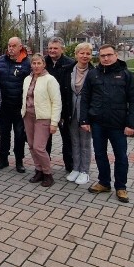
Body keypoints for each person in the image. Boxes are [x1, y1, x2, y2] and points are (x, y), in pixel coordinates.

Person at [80, 44, 134, 204]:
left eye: (109, 55)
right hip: (98, 123)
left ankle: (121, 187)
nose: (106, 59)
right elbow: (85, 98)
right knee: (100, 154)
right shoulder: (93, 75)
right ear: (99, 57)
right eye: (102, 56)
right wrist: (84, 119)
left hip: (118, 124)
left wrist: (131, 124)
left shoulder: (126, 75)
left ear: (116, 55)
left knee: (121, 156)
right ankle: (104, 182)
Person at [20, 54, 61, 187]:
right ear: (31, 65)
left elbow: (56, 102)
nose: (36, 66)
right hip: (28, 116)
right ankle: (38, 170)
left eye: (39, 63)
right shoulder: (27, 79)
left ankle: (48, 174)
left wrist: (54, 122)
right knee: (31, 146)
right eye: (34, 63)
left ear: (44, 64)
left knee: (39, 147)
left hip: (43, 117)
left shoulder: (50, 79)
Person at [0, 37, 30, 172]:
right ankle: (3, 159)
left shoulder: (27, 63)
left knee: (19, 134)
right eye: (9, 45)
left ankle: (19, 161)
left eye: (14, 46)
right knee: (4, 133)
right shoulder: (0, 61)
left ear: (20, 47)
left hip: (20, 107)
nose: (11, 48)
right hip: (4, 106)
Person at [45, 37, 76, 173]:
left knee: (67, 139)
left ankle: (70, 166)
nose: (52, 50)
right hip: (47, 107)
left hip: (64, 107)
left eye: (55, 48)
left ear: (62, 49)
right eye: (50, 48)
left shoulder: (70, 64)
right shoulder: (43, 62)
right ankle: (45, 166)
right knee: (46, 140)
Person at [67, 43, 94, 186]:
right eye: (82, 53)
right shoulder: (69, 70)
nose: (84, 56)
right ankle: (76, 168)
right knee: (74, 141)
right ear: (76, 54)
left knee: (85, 142)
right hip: (71, 111)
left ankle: (85, 171)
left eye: (88, 53)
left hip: (86, 112)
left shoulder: (94, 72)